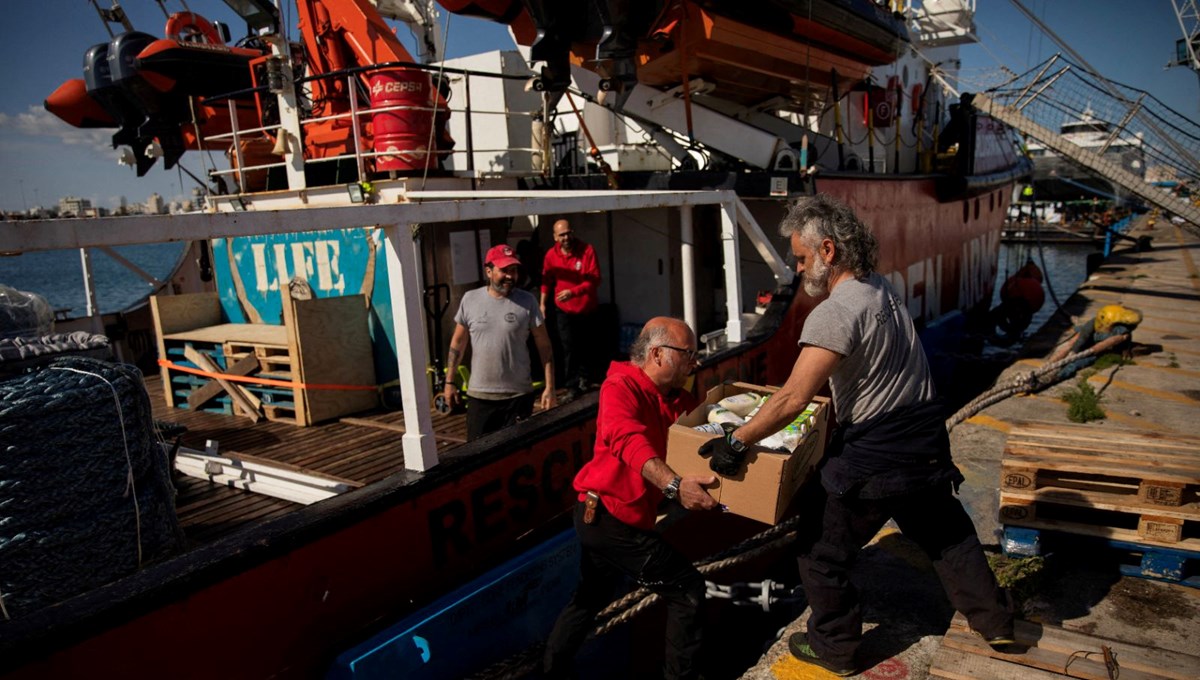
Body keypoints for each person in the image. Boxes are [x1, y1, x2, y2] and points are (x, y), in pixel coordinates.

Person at [699, 194, 1014, 676]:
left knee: (819, 552)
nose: (798, 268)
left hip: (878, 451)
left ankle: (835, 648)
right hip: (925, 439)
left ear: (828, 251)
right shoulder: (879, 289)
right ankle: (994, 620)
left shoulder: (834, 312)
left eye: (801, 257)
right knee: (946, 533)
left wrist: (736, 440)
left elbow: (792, 399)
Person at [543, 317, 718, 680]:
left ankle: (553, 673)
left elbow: (705, 427)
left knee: (588, 599)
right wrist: (674, 487)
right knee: (686, 589)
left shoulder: (673, 397)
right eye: (687, 354)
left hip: (612, 518)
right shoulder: (619, 387)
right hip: (608, 518)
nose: (694, 362)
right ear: (656, 354)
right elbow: (626, 440)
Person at [443, 244, 556, 441]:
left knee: (517, 456)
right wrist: (449, 382)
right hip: (480, 397)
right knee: (477, 459)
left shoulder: (528, 301)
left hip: (518, 397)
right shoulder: (470, 299)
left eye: (514, 270)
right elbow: (458, 343)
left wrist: (550, 386)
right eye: (504, 270)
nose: (510, 276)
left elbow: (544, 346)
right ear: (488, 271)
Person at [541, 219, 602, 399]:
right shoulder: (551, 256)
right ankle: (571, 386)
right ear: (555, 237)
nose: (566, 237)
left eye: (568, 233)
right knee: (568, 347)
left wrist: (573, 292)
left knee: (587, 345)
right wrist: (542, 303)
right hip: (564, 309)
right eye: (562, 235)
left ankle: (586, 379)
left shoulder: (587, 250)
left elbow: (595, 280)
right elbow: (546, 281)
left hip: (586, 307)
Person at [1047, 303, 1141, 380]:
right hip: (1091, 340)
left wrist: (1087, 350)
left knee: (1078, 363)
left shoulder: (1120, 331)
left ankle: (1058, 376)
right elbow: (1079, 338)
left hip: (1095, 346)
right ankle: (1050, 367)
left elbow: (1114, 340)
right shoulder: (1093, 324)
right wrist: (1073, 351)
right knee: (1071, 346)